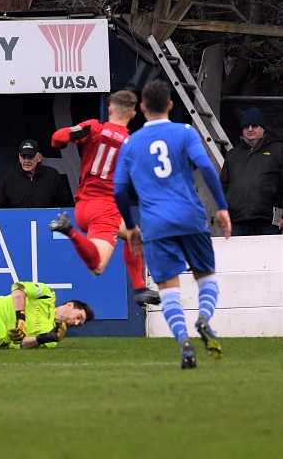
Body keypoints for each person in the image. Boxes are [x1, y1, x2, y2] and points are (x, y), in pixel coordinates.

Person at [114, 78, 231, 369]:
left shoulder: (131, 143)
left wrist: (130, 227)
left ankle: (183, 342)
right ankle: (203, 317)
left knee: (168, 288)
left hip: (155, 224)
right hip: (190, 216)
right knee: (206, 276)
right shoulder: (185, 132)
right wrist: (223, 207)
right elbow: (205, 166)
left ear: (141, 108)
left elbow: (118, 190)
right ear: (170, 104)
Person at [48, 90, 160, 307]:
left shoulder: (93, 127)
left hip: (83, 205)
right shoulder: (132, 144)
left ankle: (140, 289)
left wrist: (65, 142)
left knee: (133, 235)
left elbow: (57, 138)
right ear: (133, 114)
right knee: (97, 266)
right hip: (104, 209)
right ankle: (68, 230)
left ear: (110, 110)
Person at [219, 107, 283, 236]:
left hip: (268, 221)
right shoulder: (232, 154)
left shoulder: (278, 150)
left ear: (263, 128)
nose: (250, 129)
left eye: (254, 125)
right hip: (237, 221)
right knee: (237, 256)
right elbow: (222, 185)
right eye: (246, 126)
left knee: (268, 256)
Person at [0, 139, 74, 208]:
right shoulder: (10, 177)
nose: (26, 161)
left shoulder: (52, 175)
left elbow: (65, 205)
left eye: (30, 157)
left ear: (39, 157)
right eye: (24, 157)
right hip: (18, 225)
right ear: (19, 158)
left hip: (46, 224)